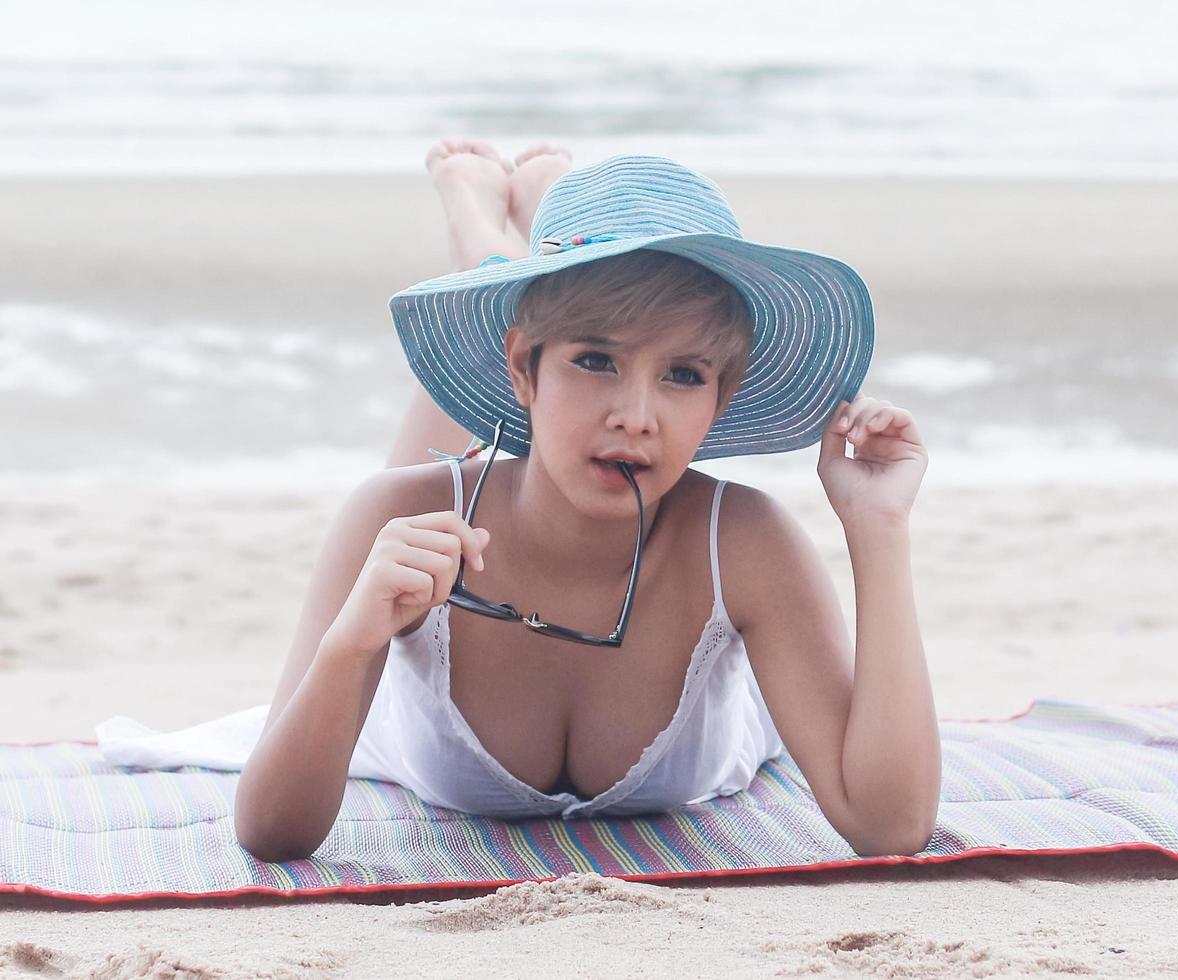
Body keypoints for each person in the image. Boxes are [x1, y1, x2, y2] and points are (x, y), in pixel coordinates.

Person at [230, 141, 940, 862]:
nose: (636, 416)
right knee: (413, 494)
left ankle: (530, 238)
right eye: (595, 360)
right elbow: (270, 832)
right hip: (471, 466)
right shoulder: (394, 514)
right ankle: (487, 241)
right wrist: (351, 644)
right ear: (523, 366)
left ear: (721, 398)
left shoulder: (744, 542)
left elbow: (889, 827)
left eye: (684, 374)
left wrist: (878, 529)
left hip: (721, 681)